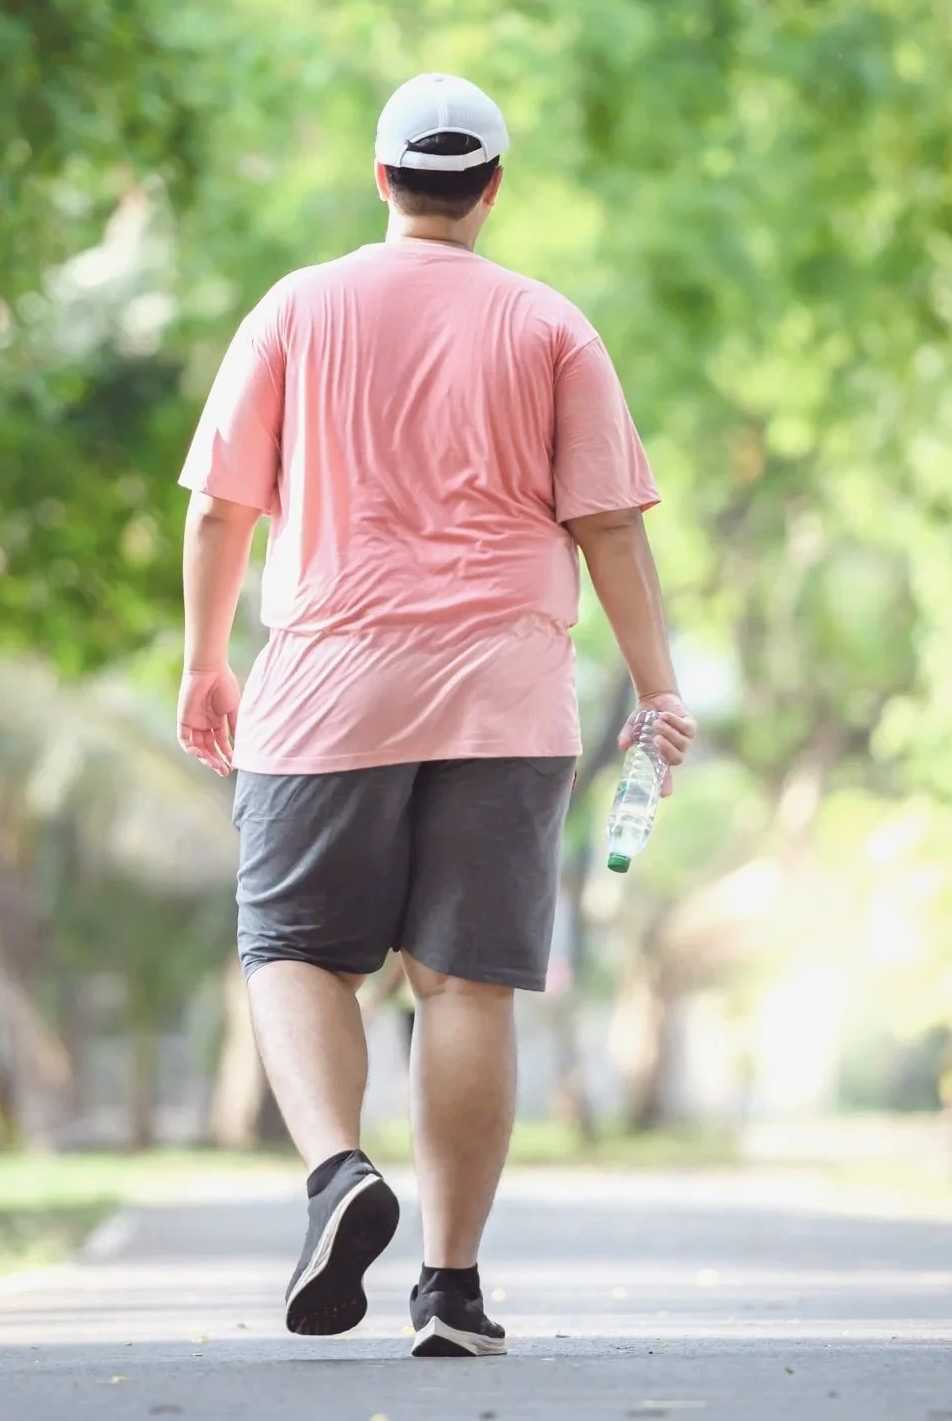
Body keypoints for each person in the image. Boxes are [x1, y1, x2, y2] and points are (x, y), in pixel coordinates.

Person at [175, 72, 695, 1357]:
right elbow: (610, 527)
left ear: (381, 175)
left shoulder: (296, 307)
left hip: (326, 682)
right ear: (492, 190)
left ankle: (338, 1171)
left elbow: (216, 509)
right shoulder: (549, 324)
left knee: (294, 945)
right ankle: (450, 1289)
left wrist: (203, 661)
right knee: (466, 984)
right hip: (506, 692)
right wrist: (659, 686)